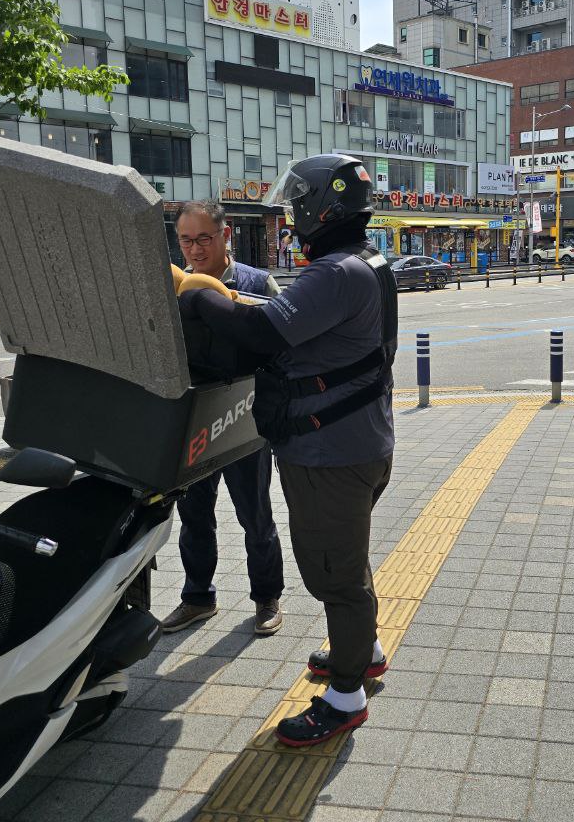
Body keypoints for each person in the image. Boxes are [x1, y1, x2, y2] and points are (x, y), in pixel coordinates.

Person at [178, 155, 396, 747]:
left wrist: (199, 296)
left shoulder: (336, 272)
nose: (293, 213)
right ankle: (364, 650)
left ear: (321, 207)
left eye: (299, 202)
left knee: (334, 576)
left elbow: (260, 332)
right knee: (347, 560)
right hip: (358, 443)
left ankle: (345, 697)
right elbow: (286, 320)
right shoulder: (366, 261)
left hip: (331, 454)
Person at [160, 200, 286, 637]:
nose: (195, 250)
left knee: (255, 515)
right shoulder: (171, 287)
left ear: (225, 234)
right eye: (186, 241)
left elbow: (282, 344)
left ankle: (267, 597)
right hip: (194, 419)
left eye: (204, 239)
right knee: (195, 515)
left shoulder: (256, 283)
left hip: (244, 419)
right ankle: (198, 597)